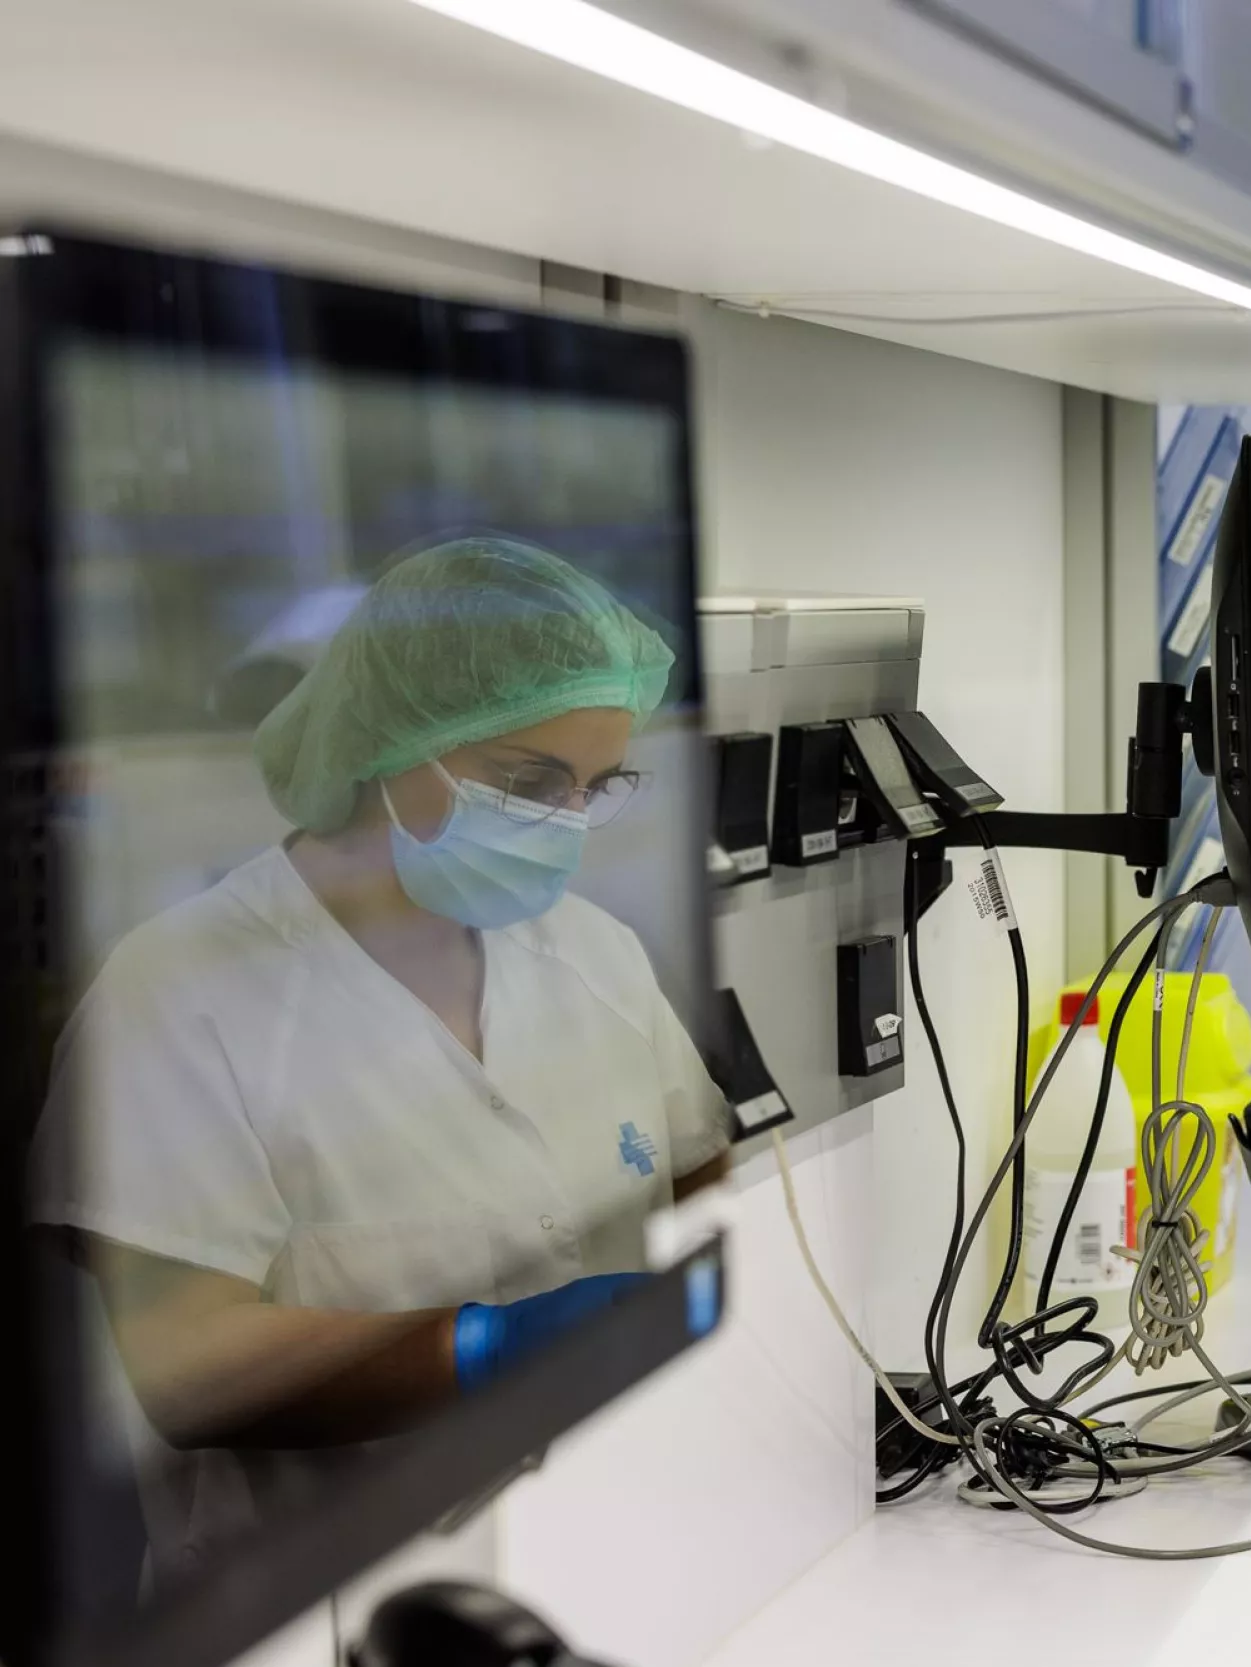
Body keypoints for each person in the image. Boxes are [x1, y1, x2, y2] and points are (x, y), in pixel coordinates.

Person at [31, 536, 729, 1564]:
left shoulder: (593, 951)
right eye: (528, 777)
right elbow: (184, 1370)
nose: (565, 821)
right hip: (322, 1591)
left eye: (594, 784)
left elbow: (697, 1177)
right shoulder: (179, 994)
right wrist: (489, 1343)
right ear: (391, 740)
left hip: (602, 1540)